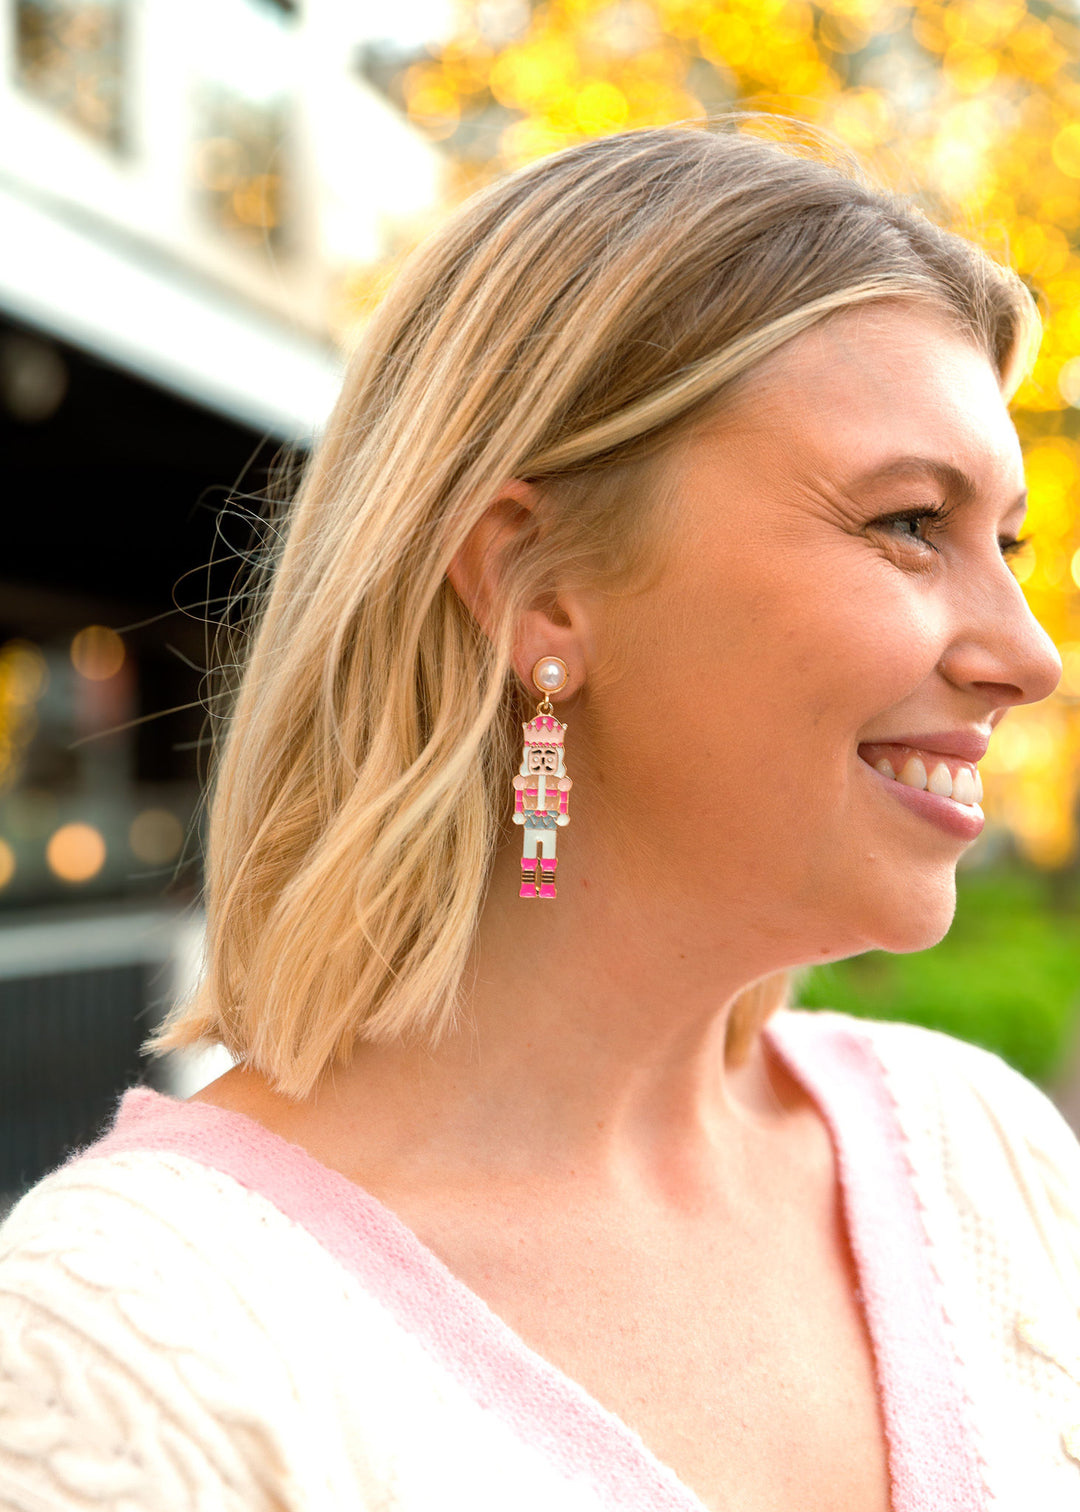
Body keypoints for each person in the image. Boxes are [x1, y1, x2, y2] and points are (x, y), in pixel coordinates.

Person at [1, 122, 1078, 1512]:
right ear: (538, 587)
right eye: (910, 522)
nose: (1031, 654)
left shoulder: (978, 1161)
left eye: (1010, 543)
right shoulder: (129, 1353)